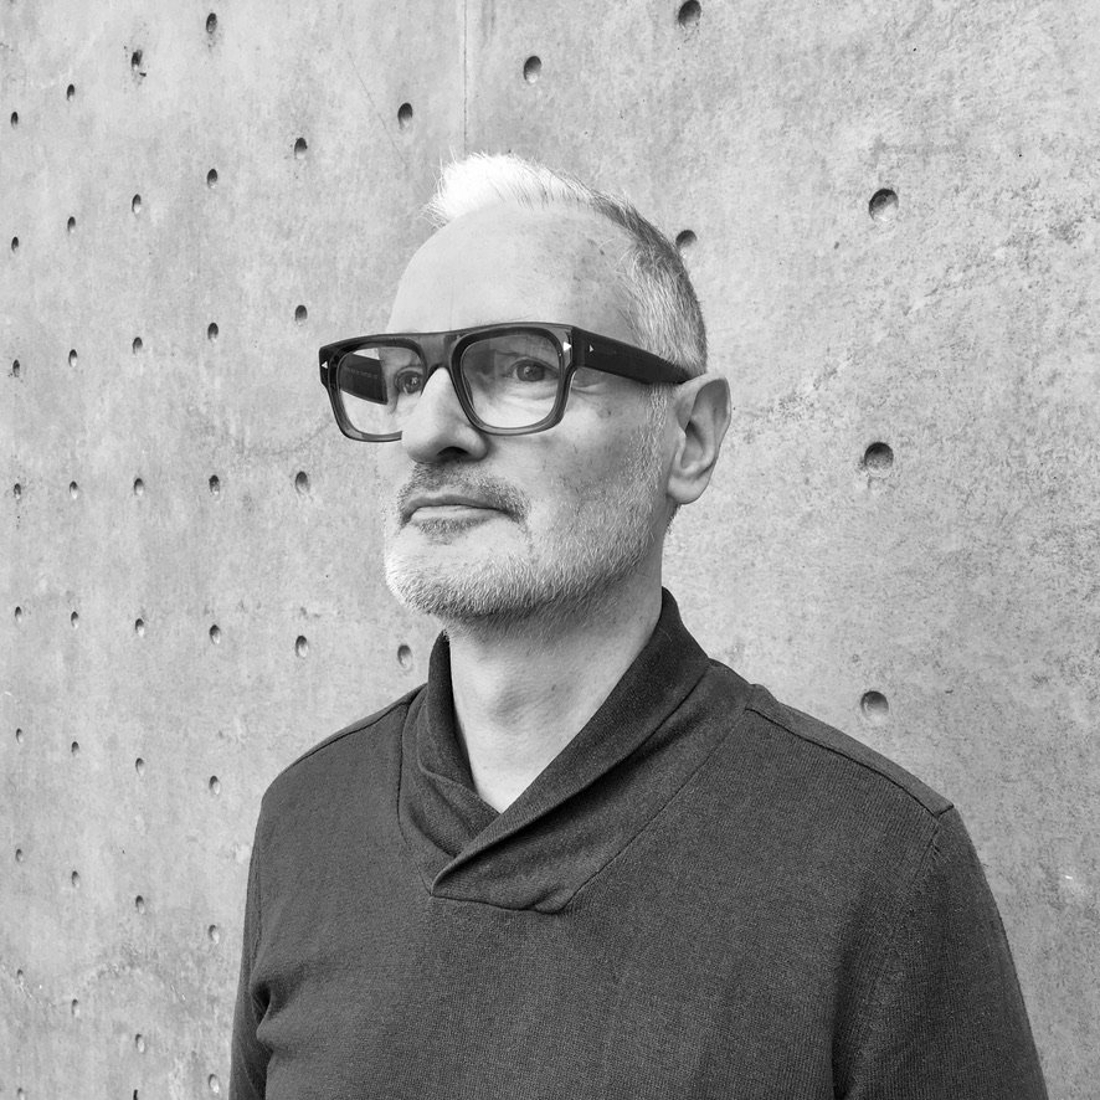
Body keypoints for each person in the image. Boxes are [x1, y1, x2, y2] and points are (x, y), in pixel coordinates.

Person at [229, 153, 1047, 1099]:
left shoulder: (879, 867)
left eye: (522, 368)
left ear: (689, 438)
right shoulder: (307, 818)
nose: (427, 433)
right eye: (406, 380)